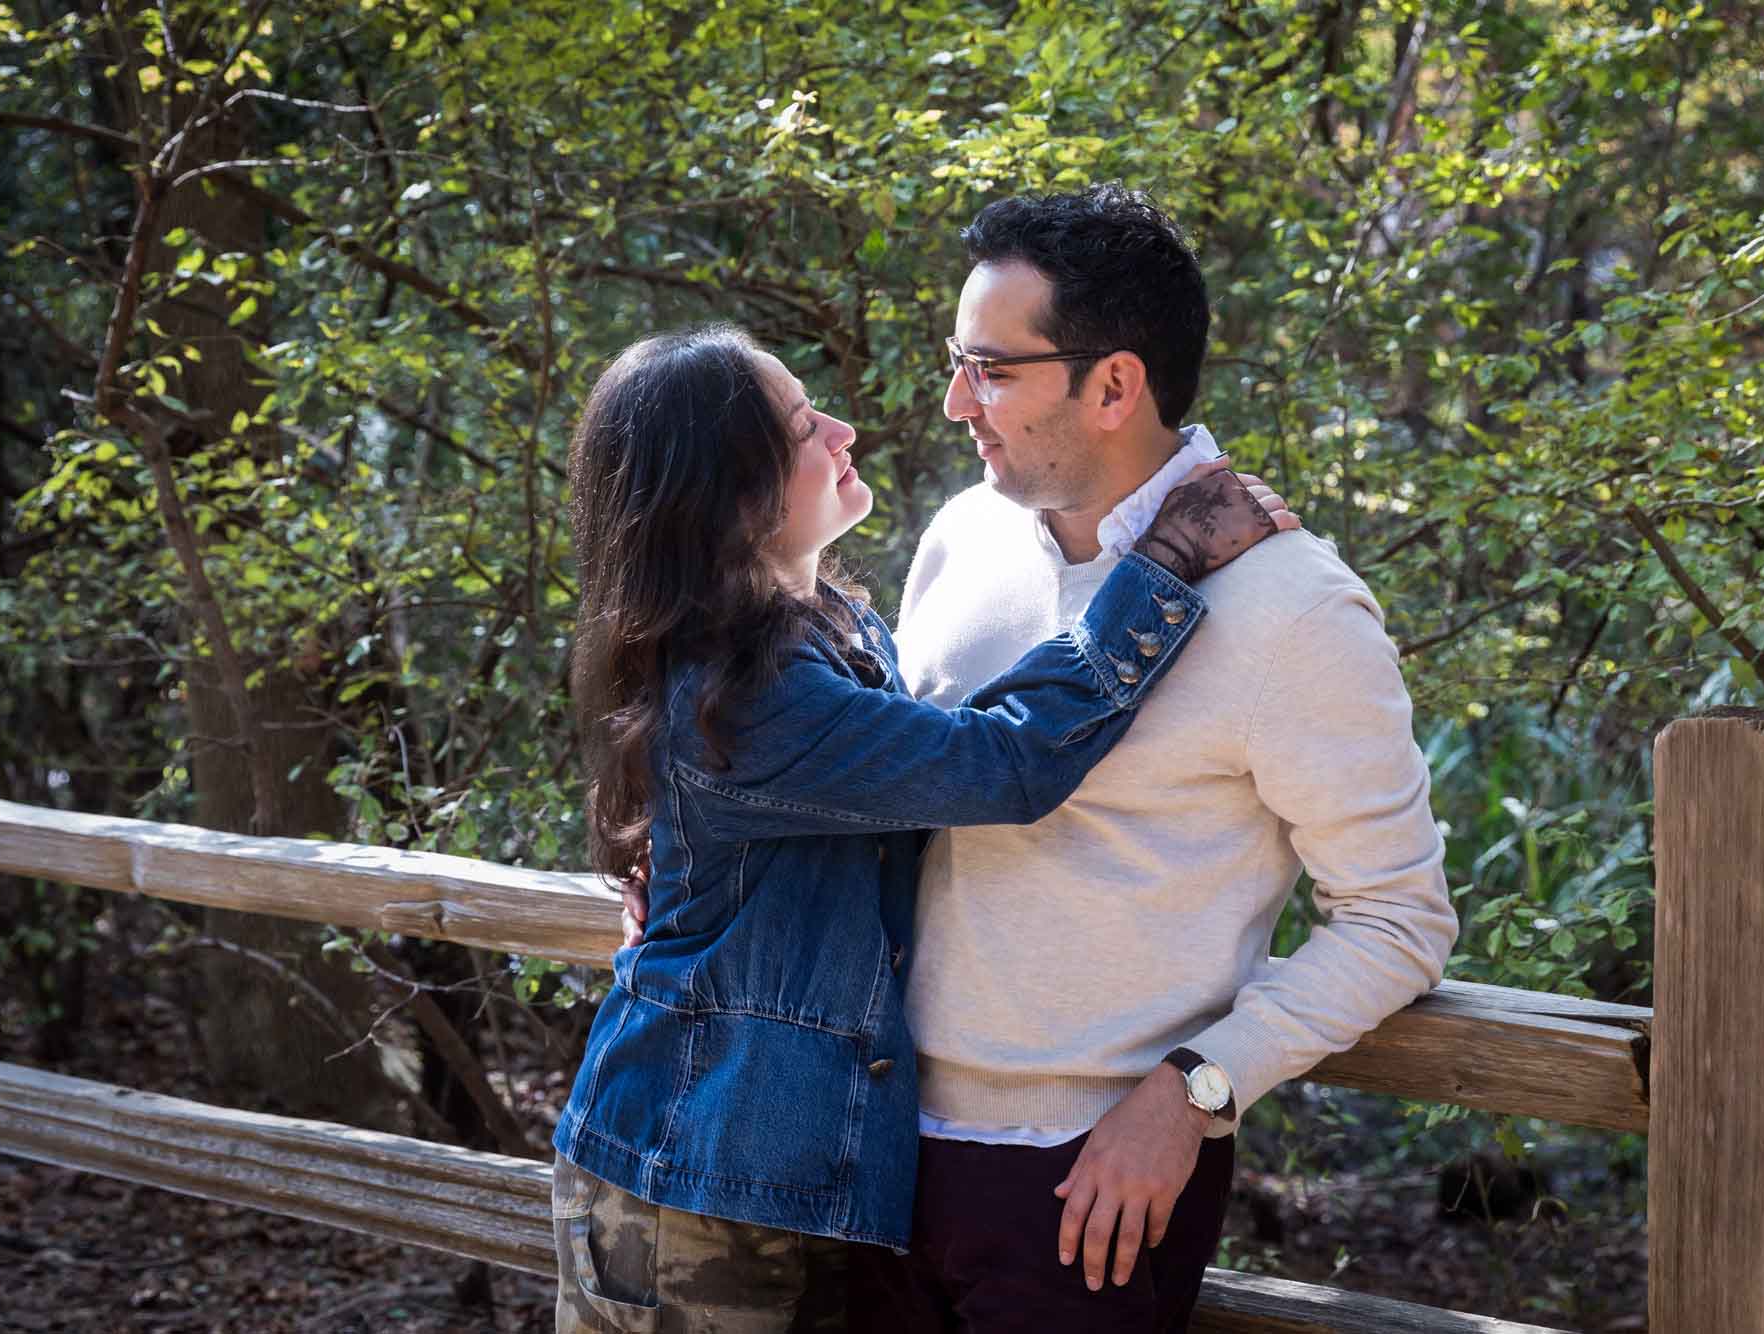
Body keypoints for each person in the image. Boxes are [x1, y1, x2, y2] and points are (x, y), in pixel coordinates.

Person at [551, 323, 1298, 1333]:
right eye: (802, 426)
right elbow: (1002, 760)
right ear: (726, 494)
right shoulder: (747, 694)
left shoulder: (831, 629)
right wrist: (1162, 566)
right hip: (684, 1179)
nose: (841, 430)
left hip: (792, 1177)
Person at [846, 185, 1461, 1333]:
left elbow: (1397, 916)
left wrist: (1198, 1087)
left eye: (989, 370)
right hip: (868, 1144)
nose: (954, 401)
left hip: (1091, 1180)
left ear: (1114, 385)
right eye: (955, 362)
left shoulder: (1290, 606)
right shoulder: (961, 536)